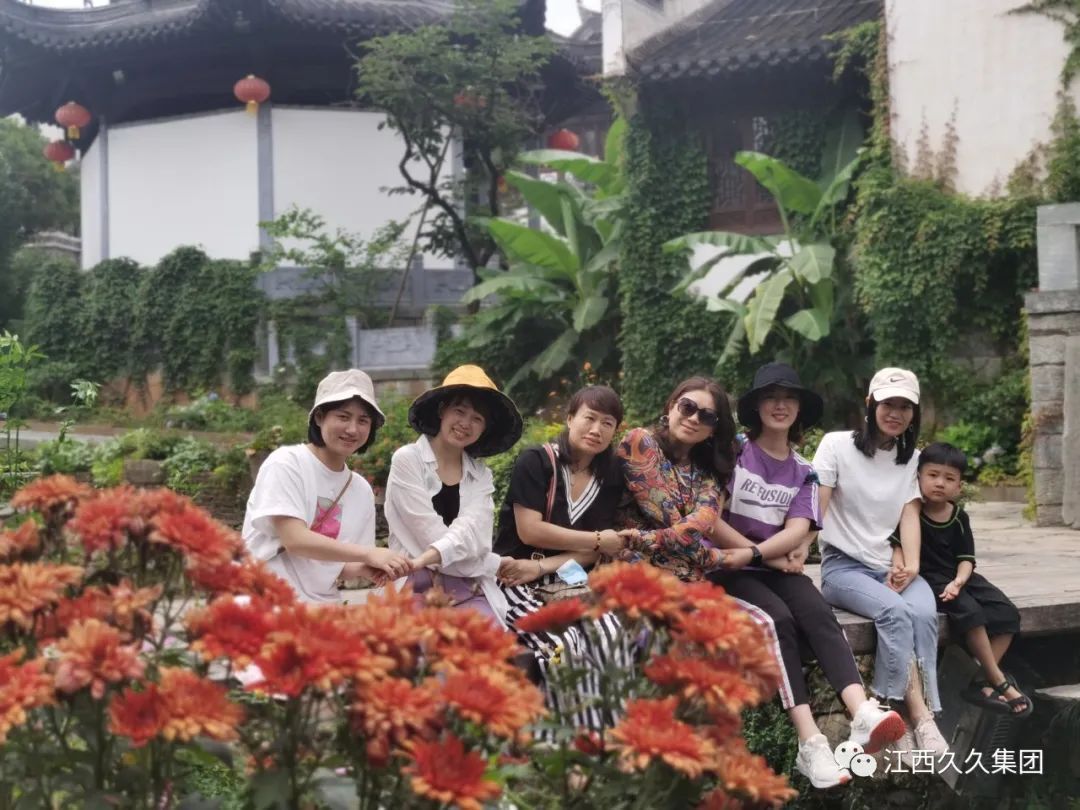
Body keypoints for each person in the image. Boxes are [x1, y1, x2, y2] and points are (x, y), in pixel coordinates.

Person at [711, 363, 905, 789]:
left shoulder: (804, 471)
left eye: (789, 398)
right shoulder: (733, 453)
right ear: (757, 406)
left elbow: (798, 529)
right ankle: (810, 741)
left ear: (800, 409)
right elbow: (710, 517)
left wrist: (762, 554)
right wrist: (757, 556)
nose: (780, 405)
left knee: (818, 612)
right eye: (771, 397)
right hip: (727, 569)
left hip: (769, 564)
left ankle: (861, 712)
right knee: (778, 620)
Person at [812, 368, 948, 756]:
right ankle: (907, 714)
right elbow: (817, 505)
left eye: (905, 406)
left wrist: (912, 565)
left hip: (888, 565)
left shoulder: (912, 460)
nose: (896, 413)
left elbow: (909, 515)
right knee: (895, 613)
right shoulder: (836, 445)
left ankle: (919, 713)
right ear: (870, 404)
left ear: (913, 413)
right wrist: (798, 546)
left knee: (924, 613)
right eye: (889, 403)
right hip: (843, 568)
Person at [495, 385, 629, 731]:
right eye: (589, 418)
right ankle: (569, 740)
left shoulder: (611, 474)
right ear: (570, 419)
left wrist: (544, 565)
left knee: (612, 632)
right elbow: (530, 531)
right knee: (564, 644)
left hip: (565, 572)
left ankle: (614, 734)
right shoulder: (537, 461)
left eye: (608, 423)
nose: (596, 429)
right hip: (514, 574)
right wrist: (598, 539)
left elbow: (593, 551)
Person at [242, 369, 412, 603]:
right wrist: (369, 554)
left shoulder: (361, 490)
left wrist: (368, 568)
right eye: (343, 417)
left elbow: (339, 565)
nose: (352, 429)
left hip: (321, 607)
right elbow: (294, 540)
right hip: (266, 599)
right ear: (319, 417)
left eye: (363, 420)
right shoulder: (287, 463)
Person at [384, 364, 523, 627]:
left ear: (485, 428)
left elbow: (475, 535)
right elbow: (431, 538)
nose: (465, 424)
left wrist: (478, 558)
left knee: (490, 640)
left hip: (468, 586)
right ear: (441, 410)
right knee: (429, 645)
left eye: (477, 418)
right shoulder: (408, 460)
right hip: (415, 583)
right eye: (459, 411)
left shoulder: (481, 474)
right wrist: (489, 563)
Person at [910, 442, 1029, 716]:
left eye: (949, 478)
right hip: (929, 579)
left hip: (961, 576)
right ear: (918, 477)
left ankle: (980, 680)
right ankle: (997, 680)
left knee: (1007, 612)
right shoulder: (912, 513)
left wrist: (959, 582)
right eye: (933, 475)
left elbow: (966, 559)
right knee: (971, 613)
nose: (940, 483)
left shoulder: (958, 517)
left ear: (959, 486)